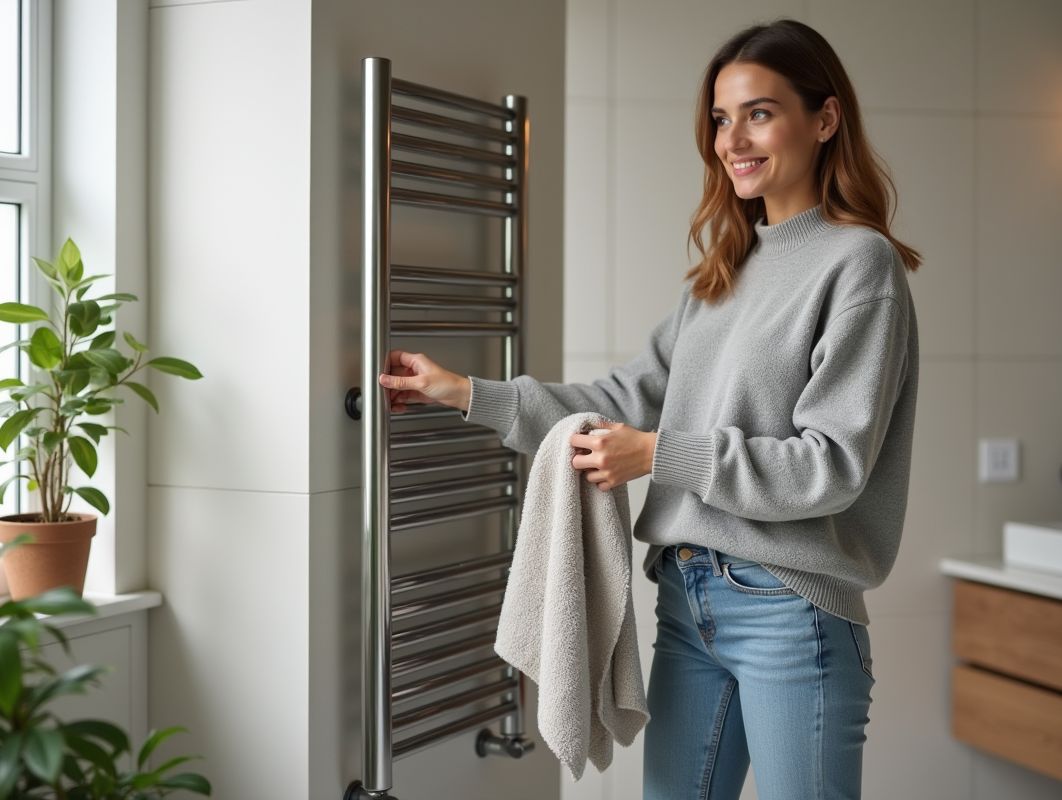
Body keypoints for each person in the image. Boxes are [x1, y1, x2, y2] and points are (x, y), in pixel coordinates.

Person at [380, 18, 920, 800]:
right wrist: (464, 392)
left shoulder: (859, 264)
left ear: (825, 119)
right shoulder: (725, 271)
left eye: (760, 113)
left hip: (789, 608)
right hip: (687, 598)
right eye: (721, 118)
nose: (733, 139)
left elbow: (829, 466)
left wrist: (658, 453)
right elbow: (619, 402)